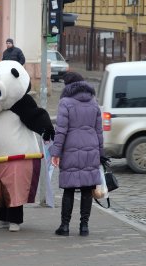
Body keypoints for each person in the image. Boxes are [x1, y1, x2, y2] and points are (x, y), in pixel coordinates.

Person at [50, 72, 104, 237]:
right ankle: (84, 227)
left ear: (67, 86)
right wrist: (101, 153)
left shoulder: (65, 102)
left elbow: (61, 131)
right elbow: (99, 131)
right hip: (91, 149)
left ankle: (65, 226)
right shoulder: (94, 103)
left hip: (71, 149)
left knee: (69, 188)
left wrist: (55, 152)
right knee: (87, 189)